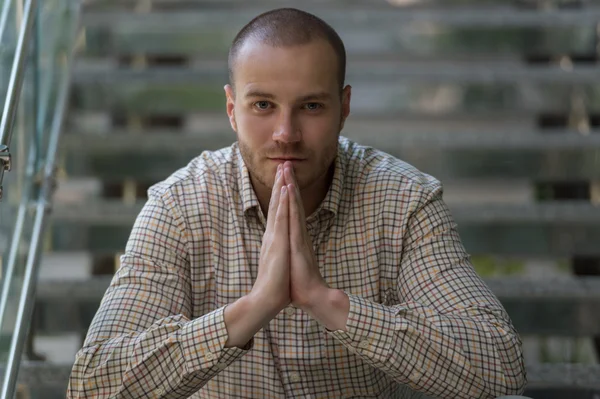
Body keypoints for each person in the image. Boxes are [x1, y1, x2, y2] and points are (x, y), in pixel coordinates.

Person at [67, 8, 527, 399]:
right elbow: (92, 383)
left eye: (311, 107)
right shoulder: (180, 206)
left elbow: (499, 364)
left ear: (344, 107)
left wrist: (328, 302)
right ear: (232, 110)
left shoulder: (403, 200)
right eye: (263, 105)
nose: (285, 133)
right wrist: (253, 308)